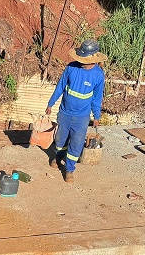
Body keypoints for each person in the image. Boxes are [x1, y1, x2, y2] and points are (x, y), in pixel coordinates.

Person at [45, 39, 107, 183]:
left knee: (77, 142)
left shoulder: (98, 75)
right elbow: (60, 86)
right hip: (65, 112)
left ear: (93, 59)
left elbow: (97, 98)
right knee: (60, 139)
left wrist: (96, 116)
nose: (80, 61)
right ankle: (58, 156)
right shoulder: (71, 68)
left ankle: (70, 169)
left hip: (82, 117)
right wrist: (51, 103)